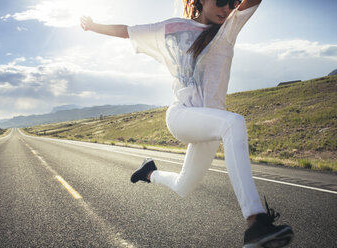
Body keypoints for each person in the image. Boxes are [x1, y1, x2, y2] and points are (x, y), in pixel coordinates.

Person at [81, 0, 294, 247]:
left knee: (184, 185)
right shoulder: (174, 27)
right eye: (222, 1)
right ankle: (256, 223)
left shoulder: (228, 28)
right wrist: (93, 25)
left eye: (233, 3)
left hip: (211, 123)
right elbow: (126, 30)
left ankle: (148, 171)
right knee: (234, 123)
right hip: (182, 116)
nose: (227, 9)